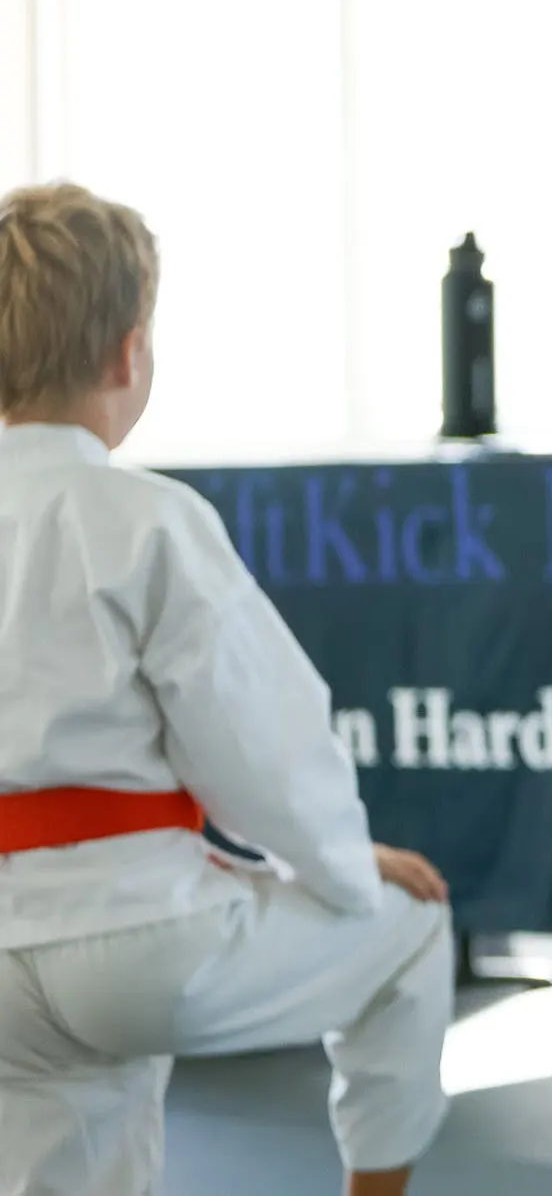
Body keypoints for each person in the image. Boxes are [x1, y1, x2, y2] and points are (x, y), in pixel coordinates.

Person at [0, 183, 455, 1196]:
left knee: (69, 1155)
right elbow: (264, 749)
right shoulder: (143, 518)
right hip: (137, 940)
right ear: (128, 353)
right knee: (409, 933)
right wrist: (348, 866)